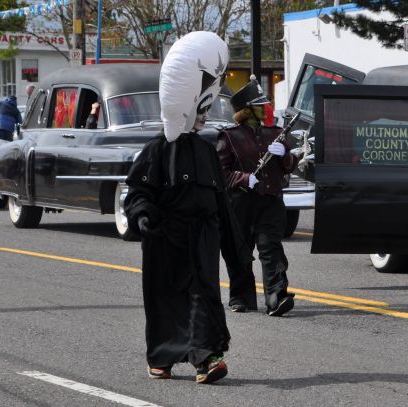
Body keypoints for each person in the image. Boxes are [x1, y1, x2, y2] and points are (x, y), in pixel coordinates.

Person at [123, 31, 240, 384]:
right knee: (166, 300)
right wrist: (143, 216)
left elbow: (222, 203)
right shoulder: (156, 150)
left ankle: (207, 359)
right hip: (165, 238)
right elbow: (137, 192)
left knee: (202, 294)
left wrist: (238, 261)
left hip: (201, 236)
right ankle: (162, 358)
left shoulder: (207, 150)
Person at [216, 78, 297, 317]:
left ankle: (277, 297)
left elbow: (289, 166)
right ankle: (241, 297)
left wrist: (284, 155)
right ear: (247, 110)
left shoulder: (276, 133)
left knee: (271, 248)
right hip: (241, 202)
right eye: (260, 104)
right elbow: (221, 173)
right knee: (240, 251)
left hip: (270, 201)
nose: (267, 107)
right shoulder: (229, 136)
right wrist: (244, 178)